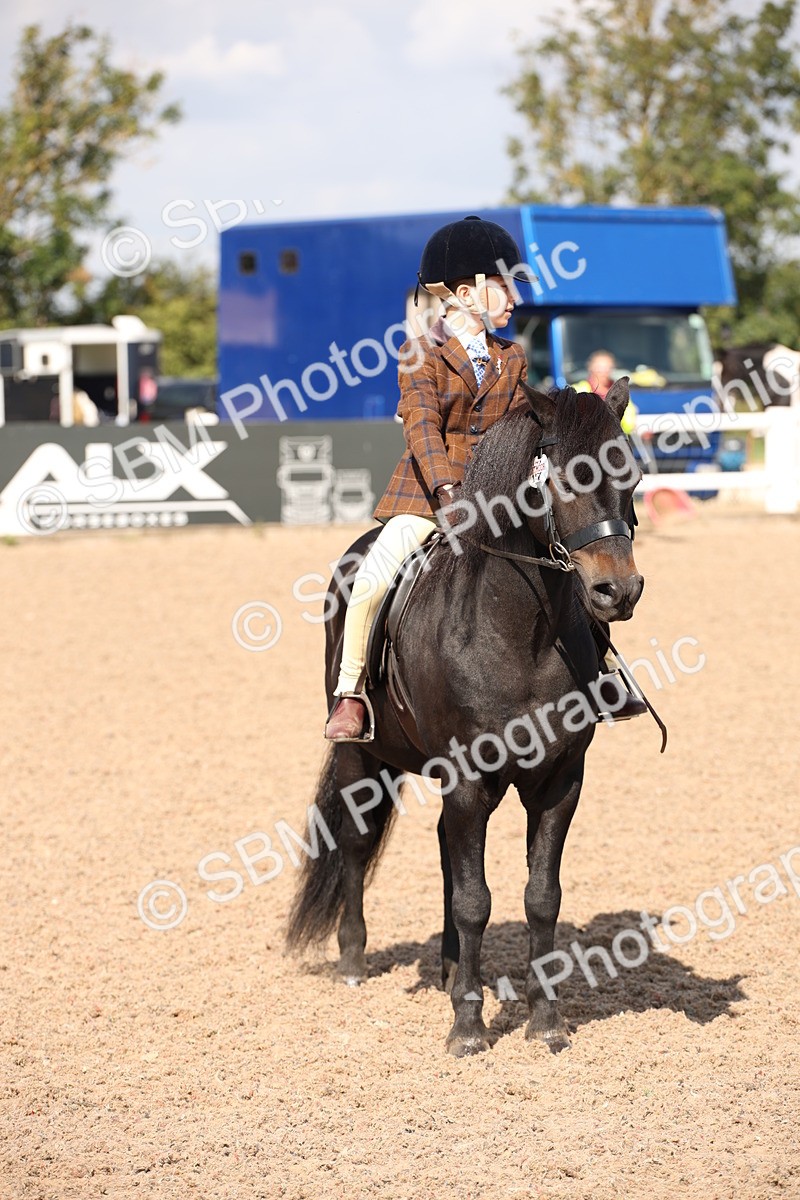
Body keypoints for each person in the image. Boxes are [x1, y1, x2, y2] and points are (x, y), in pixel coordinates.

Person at [324, 215, 530, 741]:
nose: (516, 302)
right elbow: (422, 427)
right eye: (506, 289)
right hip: (430, 496)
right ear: (468, 292)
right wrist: (449, 493)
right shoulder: (421, 354)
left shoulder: (513, 357)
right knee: (370, 581)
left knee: (567, 559)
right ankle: (351, 695)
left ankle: (599, 668)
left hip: (503, 495)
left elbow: (526, 423)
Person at [575, 350, 637, 434]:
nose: (603, 372)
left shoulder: (619, 390)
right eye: (599, 368)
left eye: (607, 368)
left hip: (617, 439)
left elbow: (629, 421)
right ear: (590, 368)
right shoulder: (578, 390)